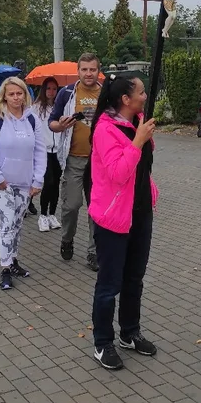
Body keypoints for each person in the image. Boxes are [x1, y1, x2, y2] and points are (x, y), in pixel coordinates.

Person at [88, 75, 158, 370]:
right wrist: (138, 142)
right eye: (141, 92)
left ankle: (130, 332)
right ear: (125, 100)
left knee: (134, 279)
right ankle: (103, 342)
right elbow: (118, 173)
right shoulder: (105, 129)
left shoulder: (137, 121)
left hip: (140, 212)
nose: (145, 96)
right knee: (109, 284)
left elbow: (143, 166)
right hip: (113, 216)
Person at [0, 77, 45, 290]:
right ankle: (5, 268)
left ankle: (13, 260)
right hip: (0, 183)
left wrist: (38, 179)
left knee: (17, 224)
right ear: (4, 96)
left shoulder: (32, 118)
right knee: (6, 223)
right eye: (11, 94)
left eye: (20, 93)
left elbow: (40, 150)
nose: (16, 98)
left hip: (24, 181)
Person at [49, 53, 102, 270]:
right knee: (72, 205)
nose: (88, 73)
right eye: (84, 69)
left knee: (95, 209)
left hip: (100, 161)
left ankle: (93, 252)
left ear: (98, 71)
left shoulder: (106, 93)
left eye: (92, 69)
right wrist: (61, 125)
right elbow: (52, 122)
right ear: (78, 71)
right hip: (74, 159)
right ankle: (67, 237)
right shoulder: (67, 93)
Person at [33, 78, 62, 232]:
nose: (51, 92)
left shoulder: (60, 107)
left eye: (54, 89)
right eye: (49, 88)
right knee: (49, 182)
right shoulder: (36, 108)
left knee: (56, 183)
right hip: (43, 151)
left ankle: (52, 214)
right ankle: (43, 215)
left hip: (58, 150)